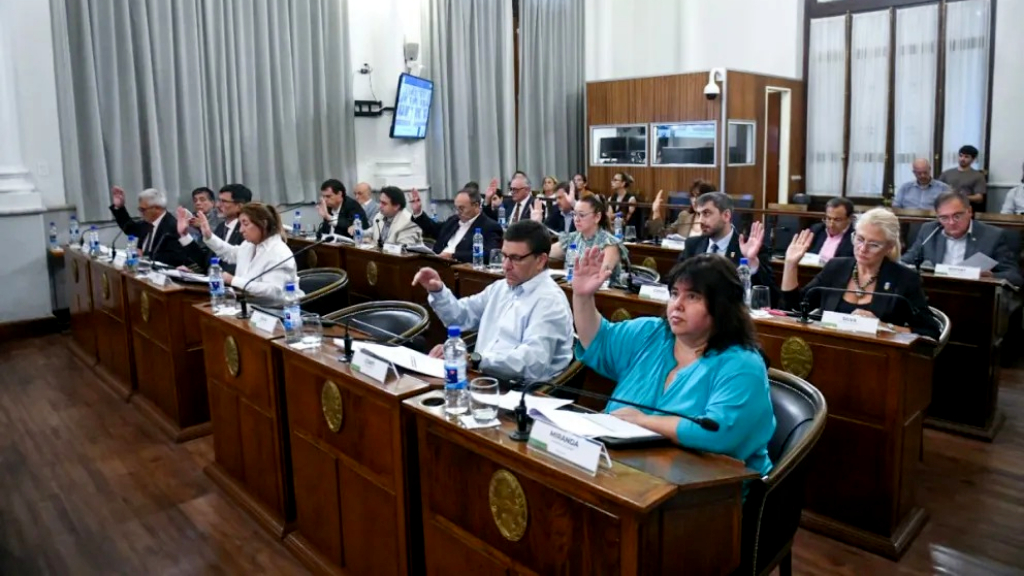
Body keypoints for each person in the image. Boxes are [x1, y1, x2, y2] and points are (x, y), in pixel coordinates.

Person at [571, 248, 775, 477]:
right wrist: (582, 297)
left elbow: (718, 433)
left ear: (721, 307)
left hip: (714, 487)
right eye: (675, 293)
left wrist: (644, 421)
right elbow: (599, 341)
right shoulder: (651, 333)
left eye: (693, 296)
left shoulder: (743, 364)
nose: (677, 304)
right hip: (627, 470)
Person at [411, 220, 574, 382]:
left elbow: (532, 362)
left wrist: (475, 359)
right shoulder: (501, 288)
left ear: (540, 260)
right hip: (482, 378)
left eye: (516, 258)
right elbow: (459, 318)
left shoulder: (550, 301)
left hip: (521, 390)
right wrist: (438, 291)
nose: (506, 266)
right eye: (504, 256)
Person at [783, 208, 940, 338]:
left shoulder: (904, 279)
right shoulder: (836, 267)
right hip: (829, 351)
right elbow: (793, 309)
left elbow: (930, 331)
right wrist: (790, 265)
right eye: (859, 239)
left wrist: (884, 327)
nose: (863, 249)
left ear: (889, 247)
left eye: (874, 245)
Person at [902, 189, 1022, 286]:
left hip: (974, 295)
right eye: (944, 218)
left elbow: (1014, 277)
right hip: (936, 292)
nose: (951, 222)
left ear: (969, 211)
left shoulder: (993, 236)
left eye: (957, 216)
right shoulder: (929, 231)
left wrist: (992, 277)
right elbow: (905, 262)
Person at [192, 202, 300, 304]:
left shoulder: (279, 253)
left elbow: (272, 292)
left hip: (274, 311)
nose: (241, 230)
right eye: (240, 224)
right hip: (245, 305)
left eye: (245, 224)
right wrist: (209, 235)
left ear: (263, 224)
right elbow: (230, 253)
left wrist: (233, 280)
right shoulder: (249, 245)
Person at [680, 192, 775, 299]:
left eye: (706, 213)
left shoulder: (749, 247)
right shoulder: (692, 245)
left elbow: (771, 296)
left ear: (726, 216)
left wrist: (752, 262)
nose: (700, 220)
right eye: (699, 214)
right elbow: (675, 280)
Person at [549, 195, 629, 282]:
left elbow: (601, 275)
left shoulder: (610, 243)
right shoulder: (572, 238)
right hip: (570, 287)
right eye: (574, 214)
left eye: (582, 215)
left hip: (601, 290)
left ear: (597, 217)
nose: (576, 219)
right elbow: (544, 254)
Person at [177, 183, 252, 273]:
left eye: (224, 201)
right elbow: (207, 262)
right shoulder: (221, 227)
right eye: (218, 200)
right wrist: (184, 235)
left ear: (240, 206)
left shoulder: (247, 231)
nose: (217, 205)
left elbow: (238, 265)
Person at [109, 185, 189, 266]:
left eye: (143, 210)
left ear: (157, 208)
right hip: (143, 267)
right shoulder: (147, 222)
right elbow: (129, 228)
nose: (140, 213)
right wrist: (119, 207)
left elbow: (176, 257)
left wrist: (145, 256)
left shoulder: (172, 226)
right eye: (140, 209)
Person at [429, 188, 503, 262]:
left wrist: (453, 256)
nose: (457, 212)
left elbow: (489, 254)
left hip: (459, 265)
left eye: (461, 208)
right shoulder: (453, 220)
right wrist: (421, 213)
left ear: (476, 206)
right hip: (435, 260)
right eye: (456, 208)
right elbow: (434, 229)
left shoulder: (490, 226)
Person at [646, 180, 716, 238]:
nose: (694, 200)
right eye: (692, 196)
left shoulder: (715, 220)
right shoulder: (684, 216)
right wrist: (656, 211)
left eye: (698, 196)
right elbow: (662, 235)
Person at [355, 186, 422, 246]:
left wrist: (372, 243)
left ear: (396, 206)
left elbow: (403, 250)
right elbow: (373, 230)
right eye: (380, 202)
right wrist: (359, 232)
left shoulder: (408, 222)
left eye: (384, 203)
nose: (380, 206)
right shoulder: (380, 215)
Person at [938, 145, 987, 213]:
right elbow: (937, 190)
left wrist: (960, 196)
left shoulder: (978, 176)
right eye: (961, 156)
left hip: (966, 208)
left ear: (973, 159)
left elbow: (979, 198)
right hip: (947, 206)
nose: (962, 159)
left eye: (966, 157)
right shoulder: (946, 173)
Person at [807, 197, 855, 262]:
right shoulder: (816, 230)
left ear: (850, 219)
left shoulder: (855, 239)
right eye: (828, 219)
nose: (831, 225)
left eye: (837, 220)